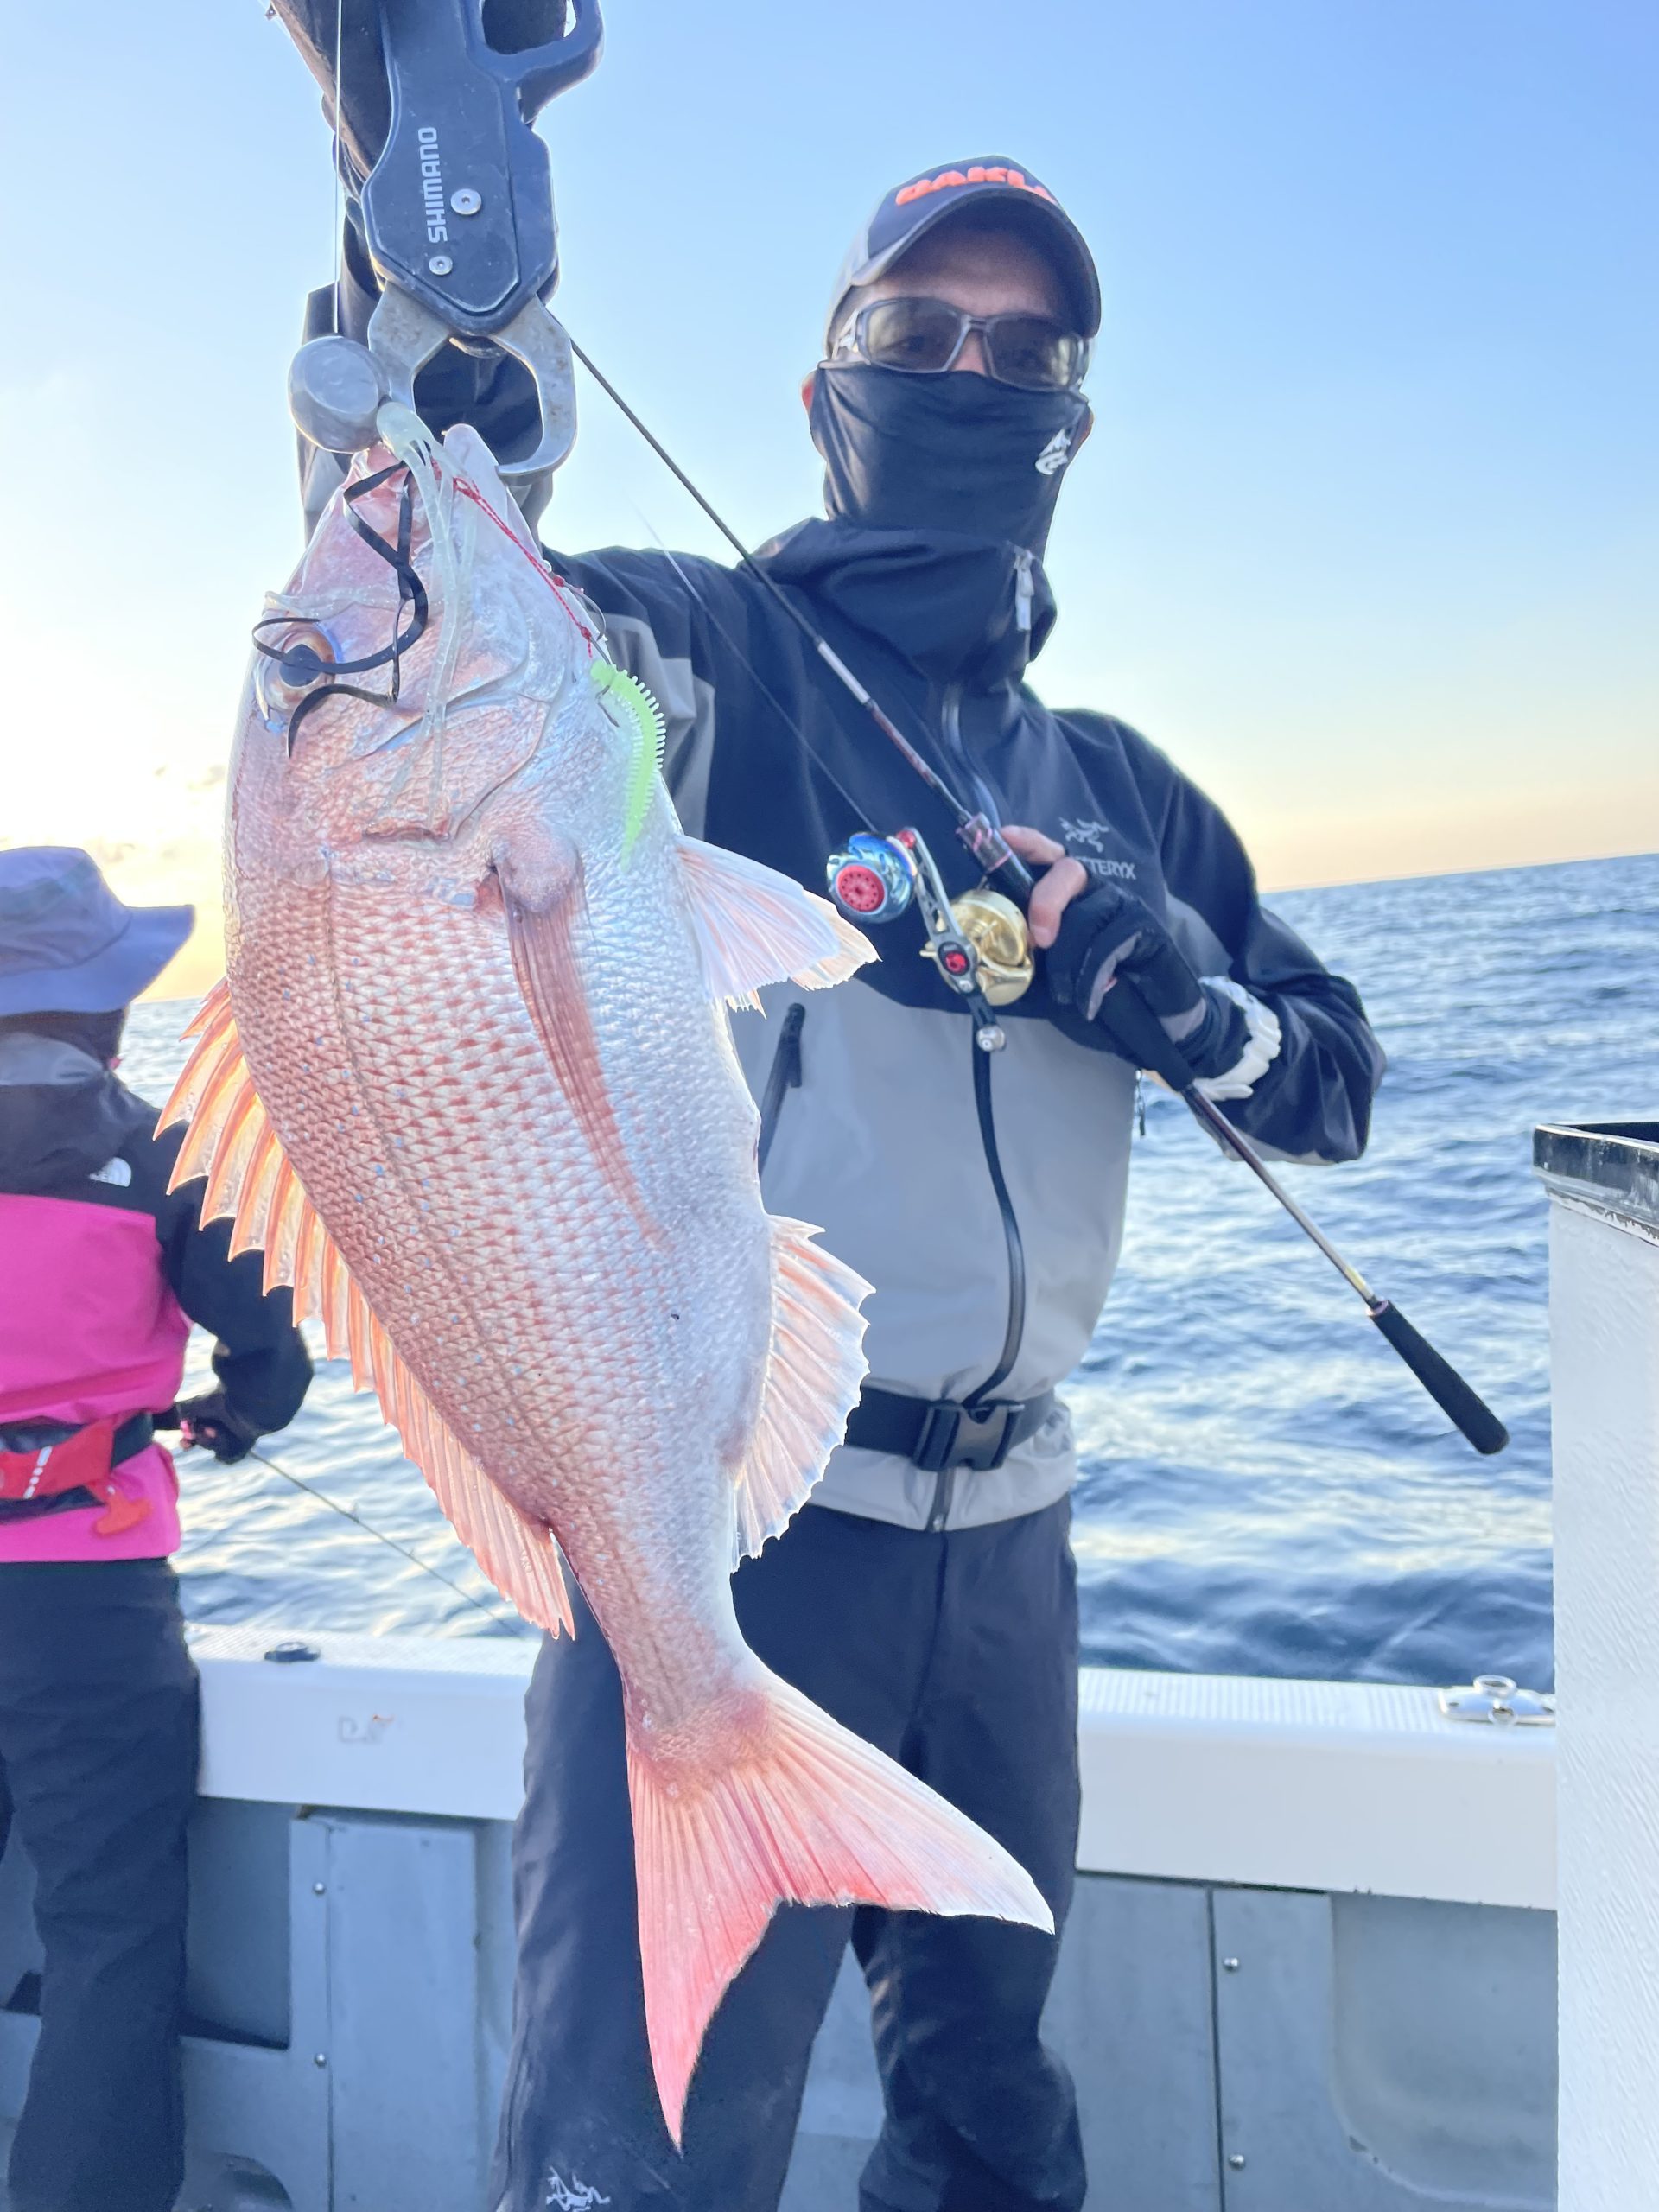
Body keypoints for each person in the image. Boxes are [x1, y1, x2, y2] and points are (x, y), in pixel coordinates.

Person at [0, 849, 313, 2212]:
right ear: (114, 1003)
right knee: (108, 1933)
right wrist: (232, 1416)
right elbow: (274, 1365)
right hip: (87, 1600)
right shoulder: (174, 1155)